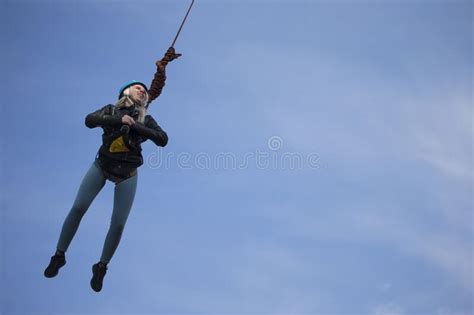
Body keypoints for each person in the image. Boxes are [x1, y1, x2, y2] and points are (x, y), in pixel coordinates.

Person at [44, 47, 181, 292]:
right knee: (78, 208)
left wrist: (137, 126)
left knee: (118, 224)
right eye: (138, 88)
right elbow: (89, 120)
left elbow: (163, 139)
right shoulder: (111, 109)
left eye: (145, 91)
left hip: (127, 173)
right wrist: (119, 120)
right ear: (126, 92)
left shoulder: (144, 120)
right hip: (102, 164)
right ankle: (59, 255)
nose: (143, 91)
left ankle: (101, 267)